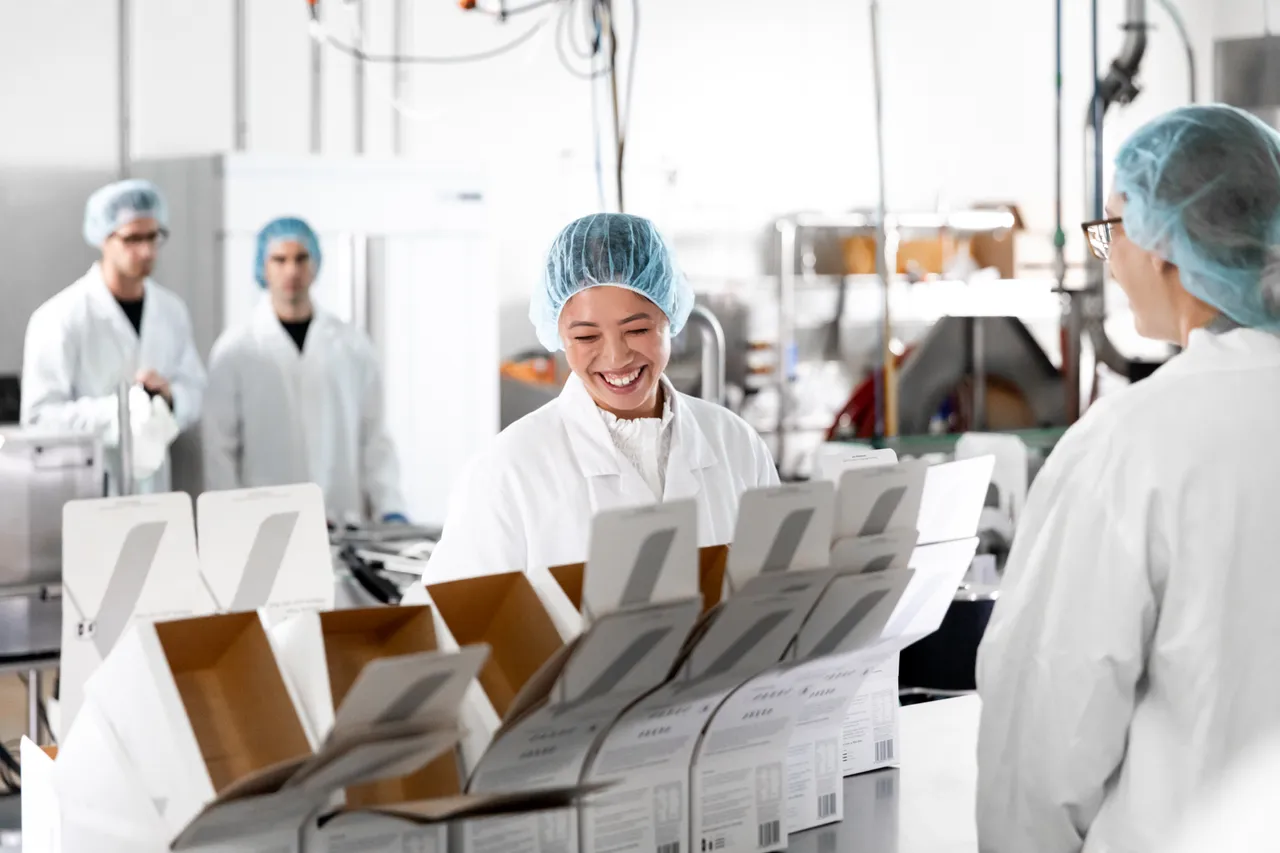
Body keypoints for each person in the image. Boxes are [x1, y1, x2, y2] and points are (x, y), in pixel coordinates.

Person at [976, 103, 1280, 853]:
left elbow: (1045, 735)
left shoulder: (1132, 441)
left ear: (1167, 245)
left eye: (1113, 228)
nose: (1109, 258)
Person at [424, 212, 778, 580]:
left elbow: (779, 589)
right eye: (586, 337)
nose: (616, 357)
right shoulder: (508, 471)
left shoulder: (736, 445)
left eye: (637, 330)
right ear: (559, 335)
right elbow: (456, 610)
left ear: (669, 316)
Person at [202, 216, 407, 525]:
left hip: (340, 517)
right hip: (264, 523)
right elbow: (219, 448)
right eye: (279, 260)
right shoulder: (235, 350)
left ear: (315, 263)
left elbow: (374, 437)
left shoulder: (352, 345)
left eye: (301, 258)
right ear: (263, 267)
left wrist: (390, 506)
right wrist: (229, 519)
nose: (291, 270)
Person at [21, 179, 205, 494]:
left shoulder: (171, 311)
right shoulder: (59, 317)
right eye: (132, 238)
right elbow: (39, 419)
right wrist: (121, 411)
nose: (146, 250)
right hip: (88, 486)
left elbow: (195, 391)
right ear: (103, 237)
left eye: (153, 237)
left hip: (154, 488)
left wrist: (169, 398)